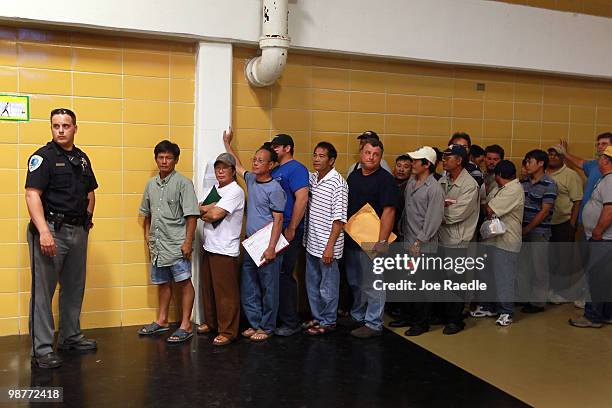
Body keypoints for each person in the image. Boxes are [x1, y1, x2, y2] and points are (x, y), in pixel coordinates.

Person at [26, 108, 98, 369]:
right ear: (51, 128)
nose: (60, 130)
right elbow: (32, 195)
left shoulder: (81, 159)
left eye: (66, 125)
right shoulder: (42, 158)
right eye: (56, 125)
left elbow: (90, 191)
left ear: (75, 128)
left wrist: (86, 220)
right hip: (51, 231)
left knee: (74, 287)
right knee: (43, 293)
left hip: (77, 230)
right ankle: (42, 350)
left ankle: (70, 337)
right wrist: (44, 231)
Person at [223, 129, 286, 342]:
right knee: (249, 286)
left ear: (271, 165)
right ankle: (256, 323)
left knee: (270, 288)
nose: (256, 163)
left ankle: (267, 327)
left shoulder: (275, 188)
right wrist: (227, 143)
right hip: (251, 245)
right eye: (255, 159)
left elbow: (278, 221)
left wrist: (271, 248)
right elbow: (237, 164)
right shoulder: (251, 180)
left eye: (261, 161)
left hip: (268, 246)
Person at [138, 140, 200, 343]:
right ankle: (162, 320)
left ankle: (185, 325)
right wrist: (148, 236)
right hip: (158, 244)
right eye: (161, 157)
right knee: (162, 283)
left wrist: (188, 242)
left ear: (176, 160)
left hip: (177, 243)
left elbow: (192, 215)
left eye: (168, 158)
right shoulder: (150, 184)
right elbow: (146, 214)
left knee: (183, 282)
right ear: (156, 159)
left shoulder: (183, 183)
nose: (164, 161)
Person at [344, 138, 399, 338]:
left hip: (374, 241)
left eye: (376, 154)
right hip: (353, 239)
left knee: (373, 282)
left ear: (380, 157)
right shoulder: (354, 177)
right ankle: (358, 315)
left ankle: (374, 322)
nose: (371, 157)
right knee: (355, 281)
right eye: (368, 153)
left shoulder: (385, 180)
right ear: (361, 153)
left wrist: (382, 242)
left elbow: (389, 211)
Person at [390, 147, 444, 335]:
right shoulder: (412, 182)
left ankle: (422, 323)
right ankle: (408, 316)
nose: (411, 164)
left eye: (415, 161)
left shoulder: (434, 188)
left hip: (422, 245)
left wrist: (419, 242)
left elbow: (434, 219)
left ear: (427, 164)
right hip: (408, 239)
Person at [197, 153, 245, 346]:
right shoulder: (215, 188)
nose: (221, 171)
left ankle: (228, 330)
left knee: (226, 293)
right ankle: (212, 323)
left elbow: (213, 215)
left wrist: (208, 210)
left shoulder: (235, 191)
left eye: (225, 168)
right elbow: (198, 207)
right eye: (218, 168)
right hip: (209, 245)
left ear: (233, 171)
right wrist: (208, 208)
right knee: (209, 289)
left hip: (225, 248)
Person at [471, 160, 524, 326]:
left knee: (504, 278)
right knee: (488, 276)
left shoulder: (514, 189)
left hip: (506, 241)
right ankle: (489, 306)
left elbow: (489, 209)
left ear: (499, 175)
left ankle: (506, 311)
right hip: (493, 239)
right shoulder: (499, 188)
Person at [303, 142, 348, 335]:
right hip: (311, 243)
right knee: (312, 284)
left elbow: (339, 220)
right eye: (315, 155)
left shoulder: (339, 183)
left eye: (322, 156)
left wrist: (329, 247)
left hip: (328, 245)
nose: (316, 159)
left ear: (331, 160)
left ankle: (329, 321)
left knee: (328, 286)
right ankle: (318, 317)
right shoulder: (313, 178)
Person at [268, 134, 310, 337]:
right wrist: (228, 146)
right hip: (275, 230)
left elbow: (302, 198)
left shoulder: (297, 169)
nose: (273, 149)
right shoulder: (275, 170)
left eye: (277, 146)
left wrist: (292, 227)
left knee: (285, 275)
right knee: (275, 275)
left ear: (288, 148)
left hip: (288, 229)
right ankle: (278, 318)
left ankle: (291, 322)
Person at [438, 144, 480, 335]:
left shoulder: (469, 185)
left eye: (449, 157)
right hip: (440, 237)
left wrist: (436, 213)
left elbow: (456, 214)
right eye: (444, 157)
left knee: (455, 280)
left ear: (459, 160)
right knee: (442, 279)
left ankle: (455, 320)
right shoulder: (444, 179)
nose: (444, 160)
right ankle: (445, 315)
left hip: (457, 239)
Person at [569, 146, 612, 328]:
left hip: (602, 238)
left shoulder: (610, 181)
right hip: (602, 238)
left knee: (596, 278)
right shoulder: (606, 180)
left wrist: (597, 232)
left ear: (607, 161)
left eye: (601, 157)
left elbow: (609, 209)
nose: (599, 160)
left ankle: (593, 316)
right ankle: (606, 314)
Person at [519, 149, 558, 314]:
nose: (527, 164)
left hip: (538, 231)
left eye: (530, 161)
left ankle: (537, 303)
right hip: (522, 230)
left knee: (539, 267)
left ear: (541, 163)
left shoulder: (550, 184)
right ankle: (523, 297)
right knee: (524, 266)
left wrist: (528, 228)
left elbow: (544, 211)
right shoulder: (524, 182)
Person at [546, 146, 583, 303]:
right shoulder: (543, 172)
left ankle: (559, 292)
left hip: (563, 223)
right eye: (551, 154)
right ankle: (548, 290)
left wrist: (572, 224)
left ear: (563, 158)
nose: (553, 157)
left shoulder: (570, 175)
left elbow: (577, 201)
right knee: (547, 259)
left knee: (563, 260)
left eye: (557, 155)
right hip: (545, 224)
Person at [558, 133, 612, 224]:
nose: (599, 146)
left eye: (604, 144)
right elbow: (581, 163)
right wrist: (565, 154)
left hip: (603, 225)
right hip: (587, 222)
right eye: (598, 144)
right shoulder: (595, 164)